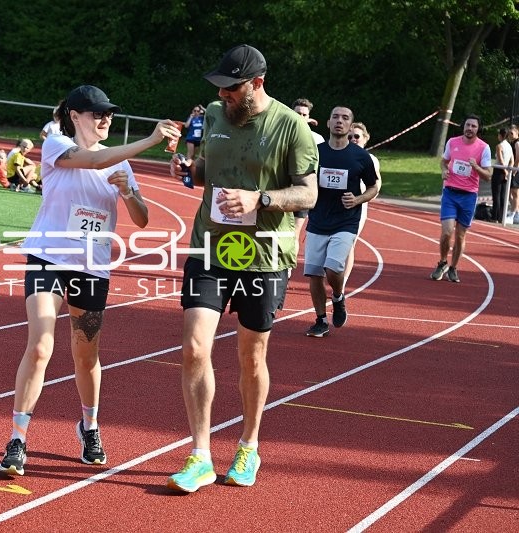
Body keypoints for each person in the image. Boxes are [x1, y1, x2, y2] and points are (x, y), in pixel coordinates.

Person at [0, 84, 180, 476]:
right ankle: (17, 438)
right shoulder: (55, 145)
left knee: (86, 353)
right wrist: (149, 139)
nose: (105, 119)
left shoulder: (120, 163)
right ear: (75, 115)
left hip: (91, 268)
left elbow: (143, 217)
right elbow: (93, 163)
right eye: (97, 113)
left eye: (109, 113)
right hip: (48, 257)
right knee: (41, 345)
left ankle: (89, 426)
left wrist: (130, 193)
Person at [166, 44, 318, 493]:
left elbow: (307, 195)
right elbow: (211, 166)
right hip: (210, 246)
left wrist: (261, 198)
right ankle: (200, 455)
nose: (225, 96)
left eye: (232, 89)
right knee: (194, 347)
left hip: (264, 254)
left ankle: (249, 444)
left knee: (251, 354)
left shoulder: (293, 128)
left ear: (257, 83)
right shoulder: (215, 114)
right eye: (220, 89)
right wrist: (190, 169)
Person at [304, 107, 380, 338]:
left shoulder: (360, 156)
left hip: (346, 221)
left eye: (345, 118)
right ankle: (320, 320)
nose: (340, 121)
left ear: (350, 125)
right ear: (328, 123)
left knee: (333, 267)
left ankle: (338, 296)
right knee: (314, 273)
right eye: (335, 117)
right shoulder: (315, 153)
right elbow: (302, 178)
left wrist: (357, 199)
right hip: (317, 219)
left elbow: (374, 187)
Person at [430, 115, 492, 283]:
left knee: (460, 236)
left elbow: (488, 175)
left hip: (469, 196)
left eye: (473, 126)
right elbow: (444, 161)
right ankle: (442, 262)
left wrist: (476, 166)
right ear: (463, 126)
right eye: (467, 125)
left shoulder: (483, 148)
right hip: (450, 193)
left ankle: (453, 268)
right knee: (446, 232)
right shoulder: (453, 142)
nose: (470, 128)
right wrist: (444, 170)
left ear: (478, 129)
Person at [342, 122, 382, 292]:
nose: (353, 139)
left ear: (365, 138)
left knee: (349, 244)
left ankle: (341, 284)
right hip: (333, 206)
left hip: (357, 208)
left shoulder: (370, 159)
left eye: (356, 136)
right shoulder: (338, 155)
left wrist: (359, 199)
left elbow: (376, 186)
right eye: (349, 137)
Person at [291, 98, 325, 269]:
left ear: (309, 117)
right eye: (298, 113)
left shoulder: (317, 140)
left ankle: (287, 269)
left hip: (302, 192)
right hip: (281, 190)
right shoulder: (283, 133)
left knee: (294, 234)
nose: (301, 117)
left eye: (304, 114)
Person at [492, 128, 513, 223]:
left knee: (496, 194)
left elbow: (500, 160)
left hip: (499, 171)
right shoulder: (509, 146)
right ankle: (501, 217)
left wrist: (504, 171)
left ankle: (495, 217)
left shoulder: (499, 146)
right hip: (506, 171)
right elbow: (512, 160)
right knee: (503, 195)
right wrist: (509, 170)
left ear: (500, 135)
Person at [507, 124, 519, 224]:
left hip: (516, 170)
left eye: (512, 133)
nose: (510, 135)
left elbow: (518, 157)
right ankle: (515, 211)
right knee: (509, 192)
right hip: (513, 169)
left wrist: (514, 169)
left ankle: (514, 214)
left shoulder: (517, 143)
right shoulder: (511, 143)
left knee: (514, 192)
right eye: (509, 133)